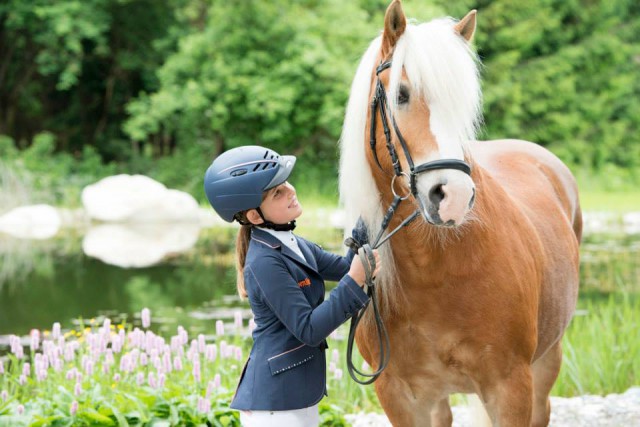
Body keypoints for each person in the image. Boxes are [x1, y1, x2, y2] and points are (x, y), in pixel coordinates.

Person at [203, 145, 380, 427]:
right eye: (277, 192)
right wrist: (355, 281)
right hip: (275, 406)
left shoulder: (293, 243)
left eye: (286, 183)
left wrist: (368, 213)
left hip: (295, 396)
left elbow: (346, 267)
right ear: (255, 216)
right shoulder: (263, 263)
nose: (290, 191)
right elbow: (309, 329)